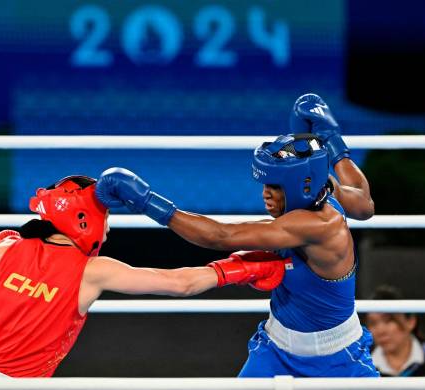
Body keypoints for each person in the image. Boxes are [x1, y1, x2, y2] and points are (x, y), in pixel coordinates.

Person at [96, 93, 379, 377]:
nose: (265, 194)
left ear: (302, 185)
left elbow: (220, 236)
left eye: (276, 186)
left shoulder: (318, 225)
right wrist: (331, 138)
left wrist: (148, 203)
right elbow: (364, 203)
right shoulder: (323, 186)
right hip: (276, 348)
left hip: (340, 359)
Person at [0, 175, 287, 377]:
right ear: (84, 219)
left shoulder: (4, 247)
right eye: (107, 216)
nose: (109, 227)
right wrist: (237, 269)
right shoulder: (92, 271)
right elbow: (178, 283)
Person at [365, 285, 425, 377]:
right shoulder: (363, 366)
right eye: (373, 323)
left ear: (411, 321)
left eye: (388, 320)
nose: (381, 331)